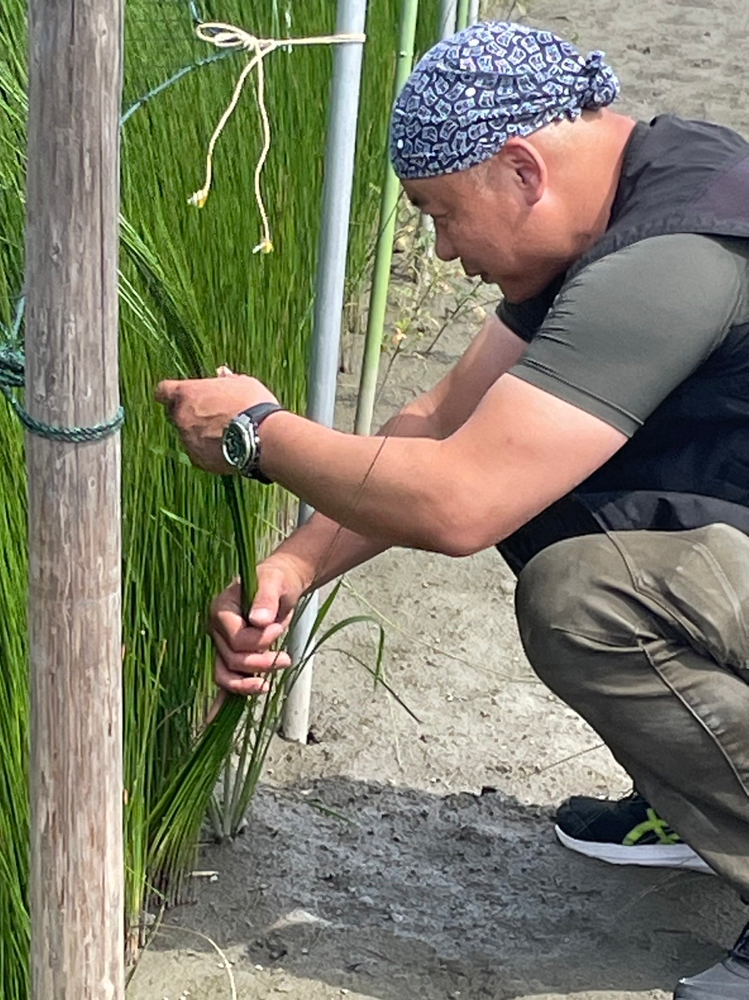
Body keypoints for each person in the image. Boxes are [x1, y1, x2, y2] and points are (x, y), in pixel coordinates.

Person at [156, 21, 749, 998]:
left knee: (583, 595)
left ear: (521, 171)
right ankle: (698, 804)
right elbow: (438, 421)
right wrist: (292, 566)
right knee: (566, 512)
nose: (439, 249)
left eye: (438, 212)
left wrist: (259, 433)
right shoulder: (620, 196)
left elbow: (460, 501)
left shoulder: (670, 256)